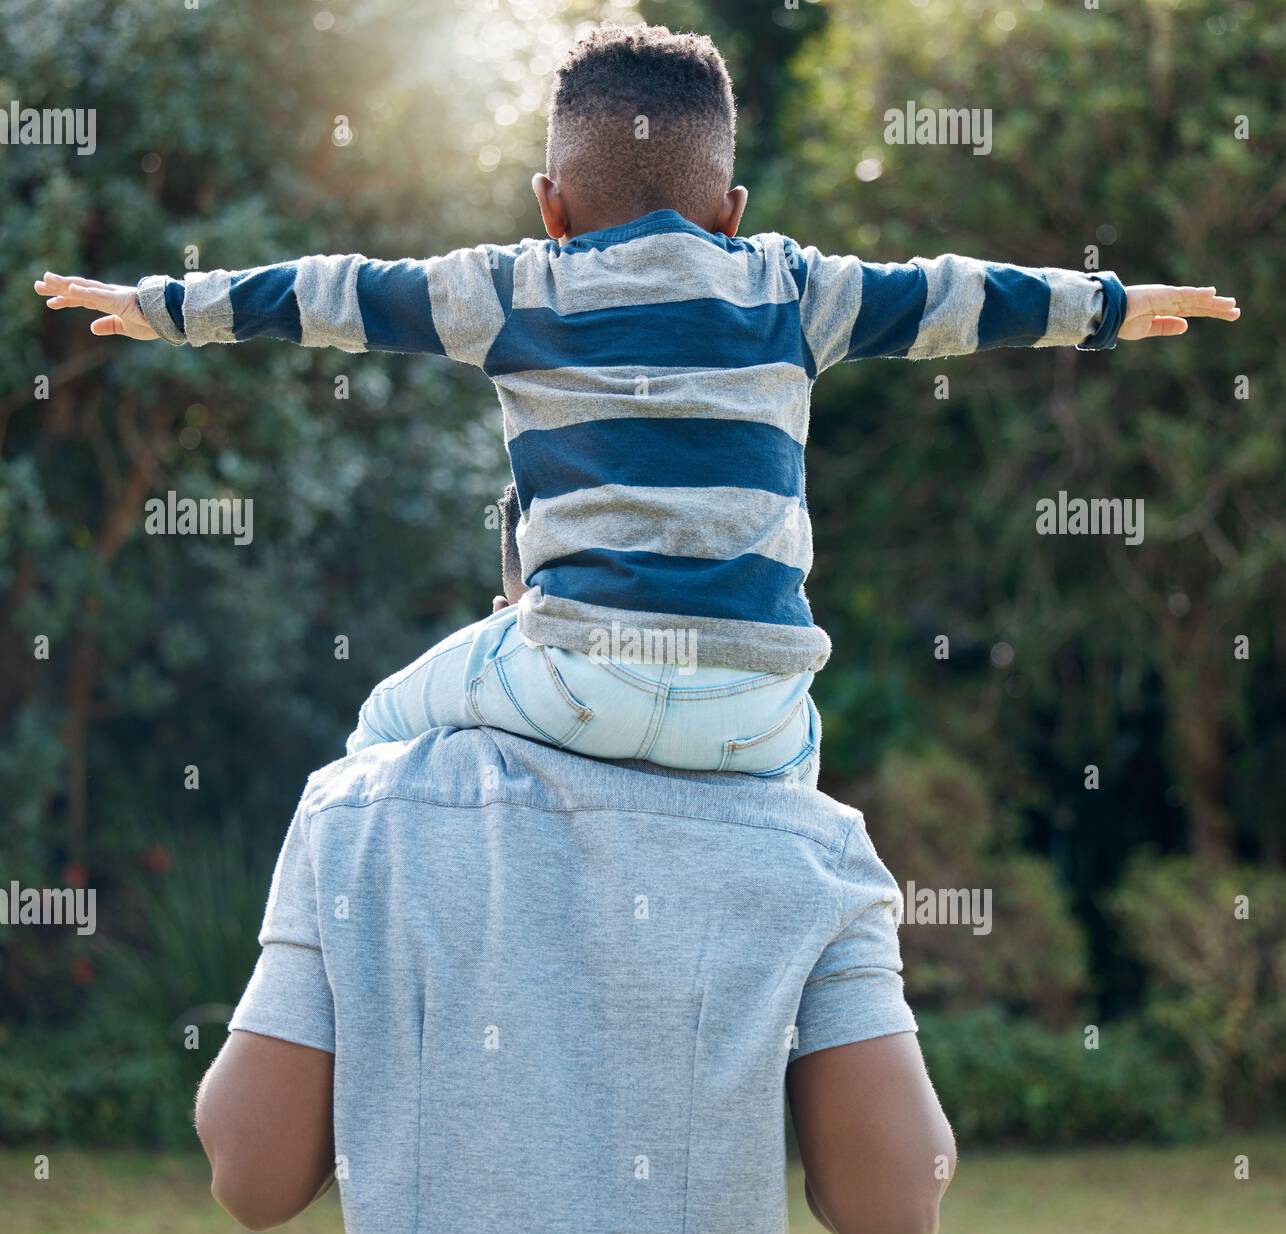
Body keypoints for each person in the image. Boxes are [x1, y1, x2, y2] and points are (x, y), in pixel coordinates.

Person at [34, 23, 1239, 780]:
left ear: (549, 205)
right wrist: (1111, 302)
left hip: (579, 676)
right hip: (766, 714)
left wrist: (160, 304)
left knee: (373, 740)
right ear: (733, 208)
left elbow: (327, 291)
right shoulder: (792, 288)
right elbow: (959, 298)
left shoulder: (512, 287)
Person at [191, 492, 956, 1234]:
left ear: (507, 622)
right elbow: (896, 1211)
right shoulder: (815, 851)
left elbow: (253, 1175)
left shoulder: (355, 812)